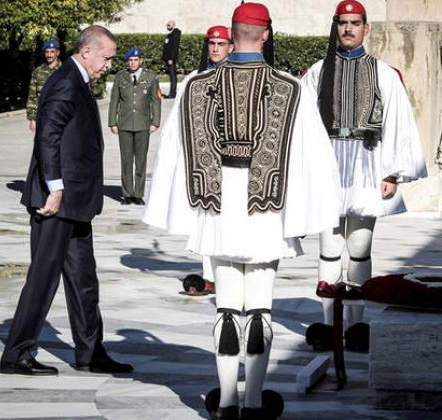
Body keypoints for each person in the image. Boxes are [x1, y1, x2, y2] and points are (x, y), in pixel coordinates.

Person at [143, 3, 340, 418]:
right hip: (265, 208)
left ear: (232, 35)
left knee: (227, 307)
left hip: (217, 207)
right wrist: (309, 212)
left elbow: (173, 157)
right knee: (260, 307)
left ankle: (227, 401)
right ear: (265, 34)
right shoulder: (290, 88)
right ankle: (254, 402)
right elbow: (313, 158)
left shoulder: (197, 84)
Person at [0, 25, 133, 376]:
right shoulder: (64, 82)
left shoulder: (79, 81)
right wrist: (55, 187)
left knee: (84, 278)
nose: (108, 64)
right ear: (87, 51)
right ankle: (16, 353)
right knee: (43, 278)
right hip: (56, 200)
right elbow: (48, 137)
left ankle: (91, 351)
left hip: (75, 201)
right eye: (106, 57)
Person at [301, 0, 427, 353]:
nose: (348, 29)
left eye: (355, 23)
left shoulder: (384, 73)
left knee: (358, 247)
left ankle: (356, 325)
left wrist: (393, 172)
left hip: (367, 161)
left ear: (366, 28)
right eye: (342, 23)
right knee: (328, 248)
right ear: (336, 26)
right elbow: (304, 125)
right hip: (328, 160)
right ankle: (329, 326)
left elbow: (397, 122)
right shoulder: (318, 72)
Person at [181, 25, 233, 296]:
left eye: (220, 43)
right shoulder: (195, 78)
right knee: (205, 218)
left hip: (231, 158)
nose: (215, 48)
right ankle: (209, 276)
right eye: (211, 43)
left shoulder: (237, 76)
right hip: (203, 158)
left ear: (231, 46)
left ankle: (228, 272)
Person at [108, 47, 161, 205]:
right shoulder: (120, 77)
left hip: (143, 124)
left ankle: (138, 194)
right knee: (126, 160)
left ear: (141, 61)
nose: (132, 63)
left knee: (141, 160)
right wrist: (112, 122)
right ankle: (127, 194)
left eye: (135, 60)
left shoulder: (151, 77)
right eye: (130, 60)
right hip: (124, 123)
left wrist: (155, 121)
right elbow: (114, 101)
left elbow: (156, 101)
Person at [26, 39, 62, 132]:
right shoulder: (38, 71)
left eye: (52, 52)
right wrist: (32, 119)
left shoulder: (65, 71)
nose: (49, 55)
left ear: (57, 53)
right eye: (47, 52)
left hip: (62, 116)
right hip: (43, 117)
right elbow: (32, 96)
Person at [162, 20, 181, 98]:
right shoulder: (170, 35)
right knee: (171, 76)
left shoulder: (175, 34)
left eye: (169, 25)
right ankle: (172, 93)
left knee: (173, 76)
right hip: (168, 59)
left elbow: (174, 48)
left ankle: (172, 93)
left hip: (171, 59)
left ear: (173, 25)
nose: (167, 26)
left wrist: (171, 58)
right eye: (167, 25)